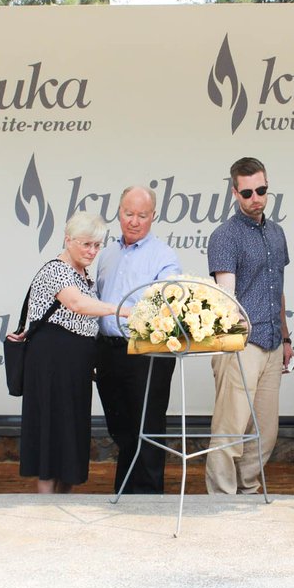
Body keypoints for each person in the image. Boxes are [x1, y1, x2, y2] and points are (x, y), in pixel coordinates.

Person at [12, 211, 128, 493]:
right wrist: (122, 308)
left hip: (75, 362)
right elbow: (77, 304)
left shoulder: (83, 274)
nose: (92, 251)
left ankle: (63, 503)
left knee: (70, 433)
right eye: (86, 244)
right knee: (52, 432)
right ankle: (46, 509)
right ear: (68, 240)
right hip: (53, 360)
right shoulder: (56, 270)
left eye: (97, 245)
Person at [205, 156, 293, 495]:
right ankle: (221, 497)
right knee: (230, 428)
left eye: (261, 190)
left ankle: (248, 490)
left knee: (266, 431)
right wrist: (238, 337)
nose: (255, 198)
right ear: (234, 192)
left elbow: (277, 290)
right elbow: (227, 299)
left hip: (272, 341)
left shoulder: (277, 233)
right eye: (247, 193)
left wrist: (286, 338)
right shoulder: (224, 236)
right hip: (240, 344)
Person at [95, 186, 181, 494]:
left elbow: (167, 305)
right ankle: (126, 494)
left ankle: (149, 503)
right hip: (108, 352)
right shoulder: (106, 253)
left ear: (153, 217)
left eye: (142, 215)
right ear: (118, 213)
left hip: (147, 354)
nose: (134, 221)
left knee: (148, 430)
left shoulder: (164, 256)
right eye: (128, 214)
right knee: (121, 431)